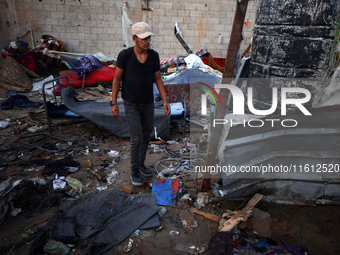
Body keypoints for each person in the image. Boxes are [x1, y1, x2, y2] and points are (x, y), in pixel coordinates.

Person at [111, 22, 171, 186]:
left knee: (146, 135)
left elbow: (158, 78)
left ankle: (141, 164)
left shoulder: (153, 56)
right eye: (144, 38)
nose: (147, 41)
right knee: (136, 137)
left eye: (149, 38)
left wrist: (165, 100)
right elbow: (116, 79)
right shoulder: (125, 56)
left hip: (148, 103)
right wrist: (114, 102)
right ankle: (134, 170)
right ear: (134, 38)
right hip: (131, 103)